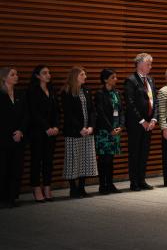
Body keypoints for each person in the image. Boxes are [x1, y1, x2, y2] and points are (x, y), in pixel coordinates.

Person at [61, 66, 98, 198]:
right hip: (74, 132)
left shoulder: (86, 90)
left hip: (87, 132)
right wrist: (79, 128)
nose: (85, 77)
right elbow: (68, 113)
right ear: (75, 76)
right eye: (82, 75)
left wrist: (91, 127)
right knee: (73, 160)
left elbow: (92, 111)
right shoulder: (67, 91)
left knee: (85, 160)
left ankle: (82, 188)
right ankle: (73, 189)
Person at [124, 53, 158, 191]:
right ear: (139, 64)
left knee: (144, 153)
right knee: (135, 153)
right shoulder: (131, 80)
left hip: (149, 123)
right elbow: (130, 103)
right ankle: (134, 182)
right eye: (148, 63)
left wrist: (154, 119)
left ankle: (142, 180)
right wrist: (142, 120)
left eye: (151, 64)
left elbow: (155, 101)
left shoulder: (150, 80)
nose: (150, 66)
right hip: (136, 124)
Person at [27, 65, 59, 202]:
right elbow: (33, 112)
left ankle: (47, 186)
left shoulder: (52, 90)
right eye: (44, 73)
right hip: (37, 131)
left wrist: (56, 126)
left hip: (51, 132)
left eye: (49, 72)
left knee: (48, 161)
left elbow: (57, 111)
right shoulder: (32, 91)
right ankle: (36, 188)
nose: (48, 75)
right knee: (36, 160)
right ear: (37, 76)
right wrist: (46, 127)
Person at [0, 67, 28, 208]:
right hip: (3, 138)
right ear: (4, 78)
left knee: (16, 168)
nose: (16, 76)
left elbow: (25, 115)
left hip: (19, 137)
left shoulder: (20, 94)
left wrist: (20, 131)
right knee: (3, 168)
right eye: (13, 74)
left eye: (17, 74)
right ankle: (2, 197)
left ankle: (12, 197)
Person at [94, 68, 125, 195]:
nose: (116, 79)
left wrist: (121, 126)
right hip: (104, 131)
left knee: (111, 159)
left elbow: (122, 111)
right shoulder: (100, 94)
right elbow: (100, 113)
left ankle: (110, 183)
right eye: (113, 77)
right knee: (103, 159)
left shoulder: (117, 93)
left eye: (116, 77)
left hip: (116, 130)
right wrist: (110, 129)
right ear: (105, 79)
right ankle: (103, 185)